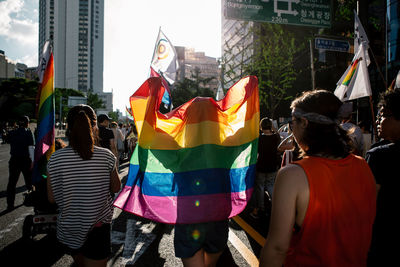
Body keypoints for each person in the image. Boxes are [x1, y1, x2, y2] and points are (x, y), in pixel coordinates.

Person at [259, 90, 376, 267]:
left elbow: (277, 248)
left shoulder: (292, 175)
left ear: (304, 123)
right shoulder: (363, 166)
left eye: (293, 123)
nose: (292, 129)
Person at [47, 105, 121, 267]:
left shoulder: (55, 158)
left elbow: (51, 198)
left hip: (69, 227)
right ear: (94, 126)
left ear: (67, 127)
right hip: (98, 228)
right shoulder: (106, 156)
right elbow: (116, 188)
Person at [365, 88, 400, 267]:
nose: (378, 120)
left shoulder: (379, 156)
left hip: (383, 244)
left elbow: (366, 203)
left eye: (384, 114)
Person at [249, 117, 281, 219]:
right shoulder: (276, 137)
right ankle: (276, 206)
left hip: (262, 165)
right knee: (271, 185)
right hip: (273, 165)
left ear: (261, 126)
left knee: (260, 187)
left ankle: (261, 208)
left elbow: (255, 152)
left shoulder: (259, 138)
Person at [6, 115, 35, 211]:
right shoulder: (28, 133)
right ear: (27, 123)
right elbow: (31, 147)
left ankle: (10, 205)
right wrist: (33, 161)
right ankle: (31, 200)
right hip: (25, 160)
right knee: (29, 182)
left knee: (12, 183)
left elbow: (7, 139)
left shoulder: (12, 132)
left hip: (14, 160)